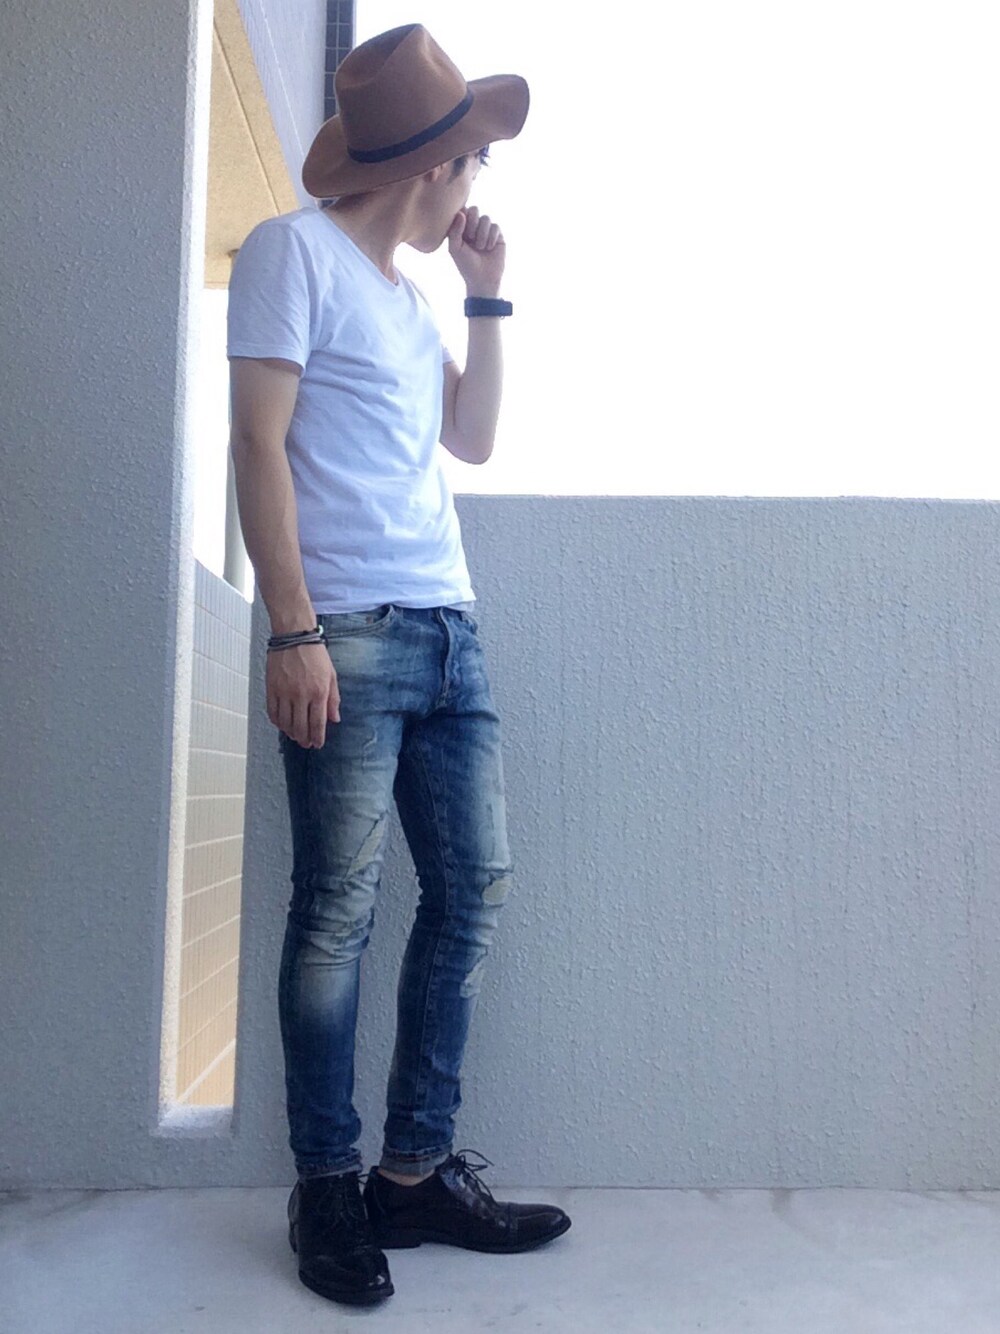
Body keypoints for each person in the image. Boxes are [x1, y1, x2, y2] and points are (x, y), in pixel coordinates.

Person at [226, 22, 571, 1308]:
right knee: (337, 910)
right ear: (436, 163)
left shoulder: (412, 302)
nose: (478, 183)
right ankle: (327, 1185)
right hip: (350, 633)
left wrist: (486, 295)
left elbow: (471, 439)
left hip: (448, 632)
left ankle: (413, 1173)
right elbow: (257, 445)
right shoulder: (292, 253)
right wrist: (293, 627)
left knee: (472, 888)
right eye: (475, 161)